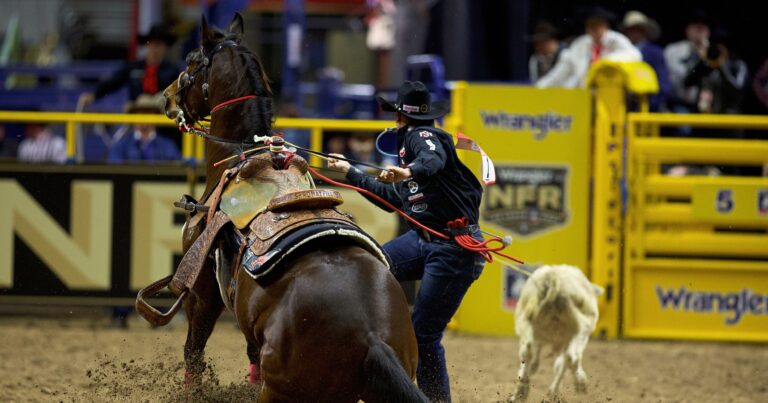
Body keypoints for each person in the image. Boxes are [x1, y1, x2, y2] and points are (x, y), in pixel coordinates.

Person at [328, 81, 485, 402]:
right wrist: (351, 172)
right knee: (370, 272)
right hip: (424, 242)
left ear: (401, 117)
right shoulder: (412, 147)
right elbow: (391, 200)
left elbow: (432, 160)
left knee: (425, 335)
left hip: (453, 250)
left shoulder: (422, 137)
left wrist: (406, 172)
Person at [536, 6, 641, 88]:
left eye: (597, 25)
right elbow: (560, 72)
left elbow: (635, 55)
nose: (593, 29)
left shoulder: (616, 40)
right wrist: (539, 87)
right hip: (584, 94)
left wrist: (605, 61)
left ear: (605, 26)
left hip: (611, 93)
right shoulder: (580, 44)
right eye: (590, 25)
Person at [79, 25, 179, 105]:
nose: (155, 49)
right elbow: (112, 82)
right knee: (141, 102)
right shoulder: (133, 67)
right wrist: (94, 95)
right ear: (147, 45)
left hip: (161, 120)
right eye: (153, 43)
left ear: (165, 47)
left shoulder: (172, 71)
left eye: (159, 44)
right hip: (136, 115)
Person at [108, 94, 181, 163]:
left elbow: (179, 168)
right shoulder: (120, 147)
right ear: (133, 116)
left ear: (155, 115)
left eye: (148, 112)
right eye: (140, 113)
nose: (144, 117)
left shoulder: (168, 146)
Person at [622, 10, 670, 111]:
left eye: (636, 29)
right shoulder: (620, 53)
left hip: (649, 106)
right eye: (629, 30)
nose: (632, 33)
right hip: (623, 106)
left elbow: (663, 83)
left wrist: (651, 105)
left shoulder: (655, 52)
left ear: (644, 31)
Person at [664, 11, 710, 114]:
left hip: (708, 106)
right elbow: (678, 82)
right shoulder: (673, 50)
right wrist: (700, 61)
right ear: (687, 29)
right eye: (696, 26)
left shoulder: (713, 52)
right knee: (684, 128)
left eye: (703, 27)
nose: (699, 30)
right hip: (680, 103)